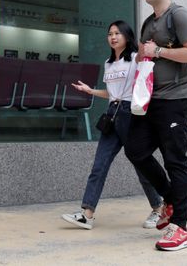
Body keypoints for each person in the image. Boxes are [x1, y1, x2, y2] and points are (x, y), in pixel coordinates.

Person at [125, 0, 187, 252]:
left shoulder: (178, 16)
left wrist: (157, 51)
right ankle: (171, 198)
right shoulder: (148, 22)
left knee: (175, 161)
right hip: (151, 101)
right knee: (135, 150)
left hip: (177, 101)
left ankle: (180, 227)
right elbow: (147, 55)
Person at [61, 20, 164, 230]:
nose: (113, 37)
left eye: (117, 33)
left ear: (127, 36)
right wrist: (91, 91)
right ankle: (87, 214)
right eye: (110, 34)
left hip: (130, 115)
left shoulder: (135, 58)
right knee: (99, 165)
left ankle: (158, 208)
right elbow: (111, 93)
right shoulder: (108, 63)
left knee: (140, 164)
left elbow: (144, 74)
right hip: (112, 114)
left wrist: (149, 48)